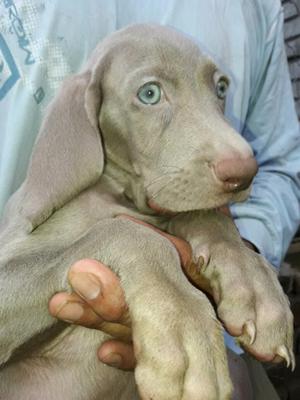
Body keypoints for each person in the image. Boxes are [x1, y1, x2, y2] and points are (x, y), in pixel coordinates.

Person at [1, 0, 299, 398]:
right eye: (150, 93)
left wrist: (230, 253)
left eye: (219, 89)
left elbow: (279, 163)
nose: (239, 151)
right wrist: (120, 246)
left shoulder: (258, 7)